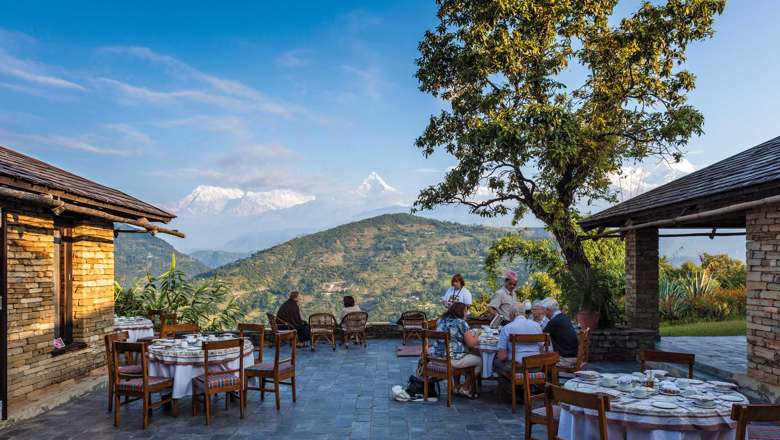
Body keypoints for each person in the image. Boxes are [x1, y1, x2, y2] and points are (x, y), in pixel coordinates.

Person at [435, 302, 481, 398]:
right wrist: (477, 333)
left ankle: (456, 386)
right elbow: (472, 344)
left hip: (438, 358)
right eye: (466, 311)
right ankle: (464, 387)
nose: (467, 313)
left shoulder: (441, 320)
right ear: (461, 312)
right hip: (451, 360)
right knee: (480, 361)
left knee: (463, 354)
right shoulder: (461, 323)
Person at [493, 303, 543, 376]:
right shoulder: (537, 325)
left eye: (509, 313)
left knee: (496, 362)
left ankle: (509, 385)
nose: (509, 316)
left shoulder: (507, 328)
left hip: (517, 367)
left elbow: (502, 356)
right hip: (536, 366)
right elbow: (541, 347)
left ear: (514, 314)